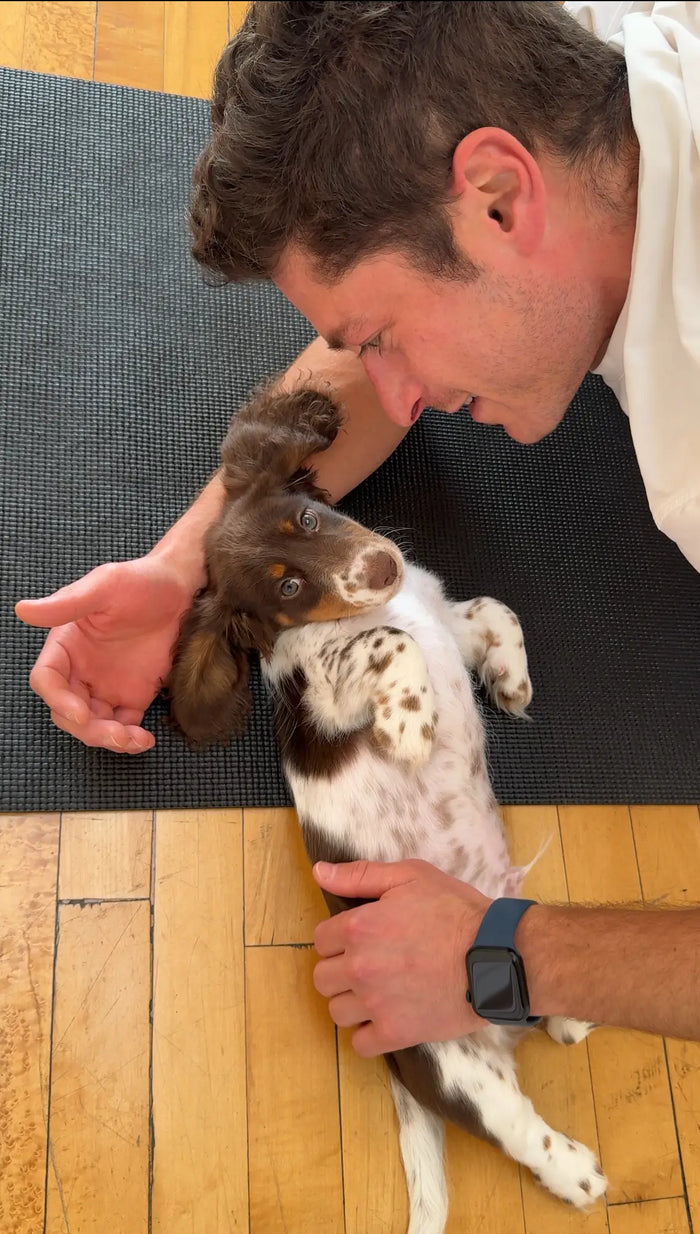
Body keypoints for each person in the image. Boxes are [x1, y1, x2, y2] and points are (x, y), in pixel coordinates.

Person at [15, 2, 700, 1047]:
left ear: (500, 198)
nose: (394, 389)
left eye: (382, 334)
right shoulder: (587, 68)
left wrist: (508, 954)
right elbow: (365, 386)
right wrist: (191, 562)